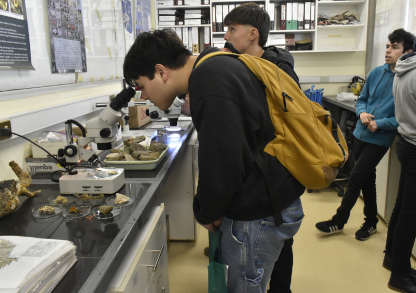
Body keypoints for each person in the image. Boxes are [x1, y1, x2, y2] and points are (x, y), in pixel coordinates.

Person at [123, 29, 305, 293]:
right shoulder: (214, 63)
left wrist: (206, 211)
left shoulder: (209, 79)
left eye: (141, 86)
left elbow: (224, 162)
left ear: (161, 71)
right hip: (270, 197)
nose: (144, 97)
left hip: (259, 210)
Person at [222, 3, 300, 293]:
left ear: (253, 34)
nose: (226, 36)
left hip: (277, 166)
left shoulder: (274, 69)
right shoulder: (246, 62)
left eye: (232, 29)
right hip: (266, 169)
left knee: (277, 234)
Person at [315, 29, 416, 241]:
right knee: (367, 180)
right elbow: (361, 100)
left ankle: (338, 221)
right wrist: (361, 113)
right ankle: (371, 222)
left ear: (407, 52)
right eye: (388, 46)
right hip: (361, 134)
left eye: (394, 47)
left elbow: (406, 116)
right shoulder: (376, 72)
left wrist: (381, 123)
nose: (388, 50)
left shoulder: (407, 79)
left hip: (380, 138)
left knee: (355, 179)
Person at [384, 31, 416, 293]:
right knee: (413, 215)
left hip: (408, 144)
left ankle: (393, 259)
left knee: (402, 209)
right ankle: (399, 276)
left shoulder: (406, 68)